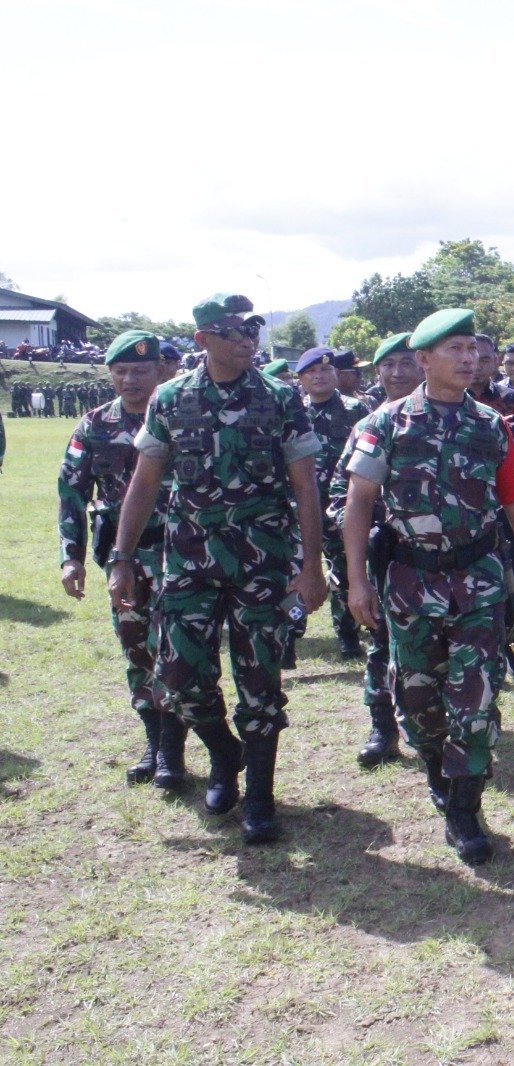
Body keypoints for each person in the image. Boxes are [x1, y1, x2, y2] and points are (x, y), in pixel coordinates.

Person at [343, 308, 514, 865]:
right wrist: (357, 582)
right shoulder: (385, 424)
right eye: (454, 349)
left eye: (471, 348)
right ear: (422, 360)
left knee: (476, 700)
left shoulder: (491, 425)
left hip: (479, 582)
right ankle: (437, 768)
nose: (469, 359)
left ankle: (465, 807)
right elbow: (359, 503)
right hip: (410, 582)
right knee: (415, 699)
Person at [110, 293, 328, 846]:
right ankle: (223, 751)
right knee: (177, 677)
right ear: (203, 339)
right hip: (189, 558)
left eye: (252, 328)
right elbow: (144, 481)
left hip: (262, 557)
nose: (248, 338)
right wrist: (123, 557)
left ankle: (258, 796)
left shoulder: (280, 398)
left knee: (259, 680)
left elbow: (305, 486)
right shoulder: (172, 398)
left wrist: (311, 566)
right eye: (234, 330)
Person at [58, 330, 186, 791]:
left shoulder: (181, 416)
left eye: (141, 370)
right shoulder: (94, 425)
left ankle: (173, 754)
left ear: (161, 371)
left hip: (180, 554)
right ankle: (153, 742)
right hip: (123, 560)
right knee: (137, 647)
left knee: (177, 650)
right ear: (110, 374)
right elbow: (72, 493)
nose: (131, 380)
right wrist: (69, 557)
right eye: (122, 371)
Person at [326, 331, 422, 767]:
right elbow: (337, 497)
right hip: (390, 561)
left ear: (423, 364)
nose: (397, 372)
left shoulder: (448, 418)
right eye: (389, 365)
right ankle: (382, 728)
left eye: (406, 363)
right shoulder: (367, 427)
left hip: (449, 564)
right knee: (382, 642)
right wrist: (369, 535)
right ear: (378, 372)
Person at [467, 334, 514, 678]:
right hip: (465, 512)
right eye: (472, 356)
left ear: (495, 361)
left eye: (485, 358)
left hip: (509, 507)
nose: (477, 365)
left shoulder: (512, 401)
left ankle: (513, 643)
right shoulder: (447, 398)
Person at [296, 346, 369, 659]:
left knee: (343, 570)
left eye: (325, 370)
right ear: (301, 379)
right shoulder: (294, 412)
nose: (319, 376)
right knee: (295, 570)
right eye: (312, 372)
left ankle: (348, 635)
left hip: (342, 506)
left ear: (336, 374)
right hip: (302, 508)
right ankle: (290, 631)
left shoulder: (356, 410)